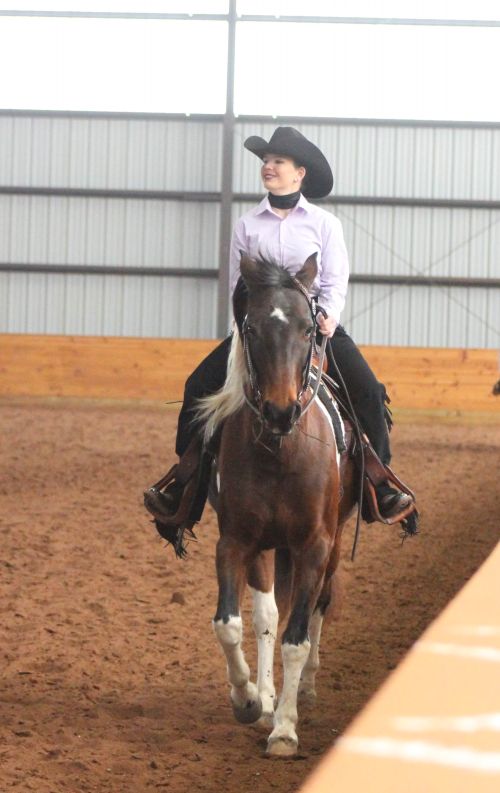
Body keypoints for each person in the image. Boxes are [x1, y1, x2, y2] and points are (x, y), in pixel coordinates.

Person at [150, 127, 413, 526]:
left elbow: (335, 279)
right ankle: (185, 483)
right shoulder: (247, 224)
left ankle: (380, 482)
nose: (268, 167)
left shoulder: (325, 224)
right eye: (266, 161)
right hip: (259, 332)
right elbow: (237, 285)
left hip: (312, 327)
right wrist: (244, 328)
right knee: (197, 386)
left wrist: (328, 314)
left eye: (278, 161)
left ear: (299, 173)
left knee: (369, 392)